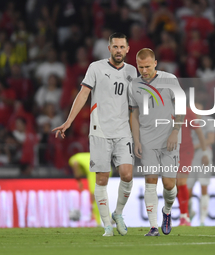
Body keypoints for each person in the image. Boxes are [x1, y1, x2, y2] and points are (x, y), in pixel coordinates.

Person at [53, 33, 137, 237]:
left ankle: (118, 213)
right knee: (102, 179)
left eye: (121, 47)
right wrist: (69, 121)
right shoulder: (96, 68)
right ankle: (107, 223)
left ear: (127, 49)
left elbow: (135, 106)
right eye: (115, 47)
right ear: (109, 49)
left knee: (127, 174)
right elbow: (83, 94)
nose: (118, 50)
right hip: (100, 132)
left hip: (123, 131)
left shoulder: (133, 72)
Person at [129, 48, 184, 236]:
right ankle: (153, 227)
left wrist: (175, 132)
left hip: (169, 138)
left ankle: (167, 211)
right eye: (140, 67)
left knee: (169, 185)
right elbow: (134, 114)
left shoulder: (170, 80)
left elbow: (181, 108)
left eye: (147, 66)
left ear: (155, 63)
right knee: (150, 181)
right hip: (147, 140)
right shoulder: (133, 85)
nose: (143, 71)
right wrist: (136, 140)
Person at [176, 107, 209, 226]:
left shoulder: (186, 111)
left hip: (185, 151)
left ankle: (184, 216)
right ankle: (186, 213)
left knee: (181, 181)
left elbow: (199, 131)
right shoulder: (163, 109)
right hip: (172, 150)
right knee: (173, 185)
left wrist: (205, 152)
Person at [187, 103, 215, 226]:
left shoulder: (208, 120)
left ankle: (203, 220)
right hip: (190, 156)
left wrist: (196, 146)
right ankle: (190, 212)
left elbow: (211, 139)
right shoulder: (186, 121)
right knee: (186, 189)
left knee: (204, 186)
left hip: (204, 154)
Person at [69, 152, 112, 226]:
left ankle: (101, 221)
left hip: (95, 171)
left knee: (95, 197)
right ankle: (108, 217)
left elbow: (75, 164)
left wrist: (78, 181)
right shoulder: (86, 157)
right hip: (107, 169)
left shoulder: (73, 159)